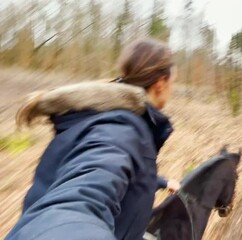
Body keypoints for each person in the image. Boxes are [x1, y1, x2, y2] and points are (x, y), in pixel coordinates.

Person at [6, 38, 181, 240]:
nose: (172, 89)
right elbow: (80, 200)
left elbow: (120, 170)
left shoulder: (115, 118)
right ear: (160, 84)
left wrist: (161, 181)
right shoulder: (120, 130)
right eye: (173, 82)